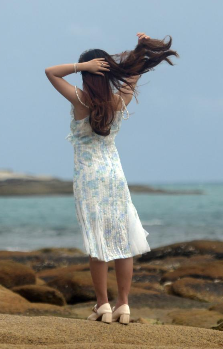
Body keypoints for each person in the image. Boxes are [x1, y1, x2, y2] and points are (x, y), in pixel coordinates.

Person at [44, 32, 178, 325]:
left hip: (89, 177)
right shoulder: (119, 101)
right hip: (115, 175)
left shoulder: (80, 99)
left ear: (88, 75)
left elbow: (50, 72)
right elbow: (133, 73)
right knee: (122, 240)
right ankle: (123, 305)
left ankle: (102, 304)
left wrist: (82, 66)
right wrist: (140, 49)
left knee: (98, 243)